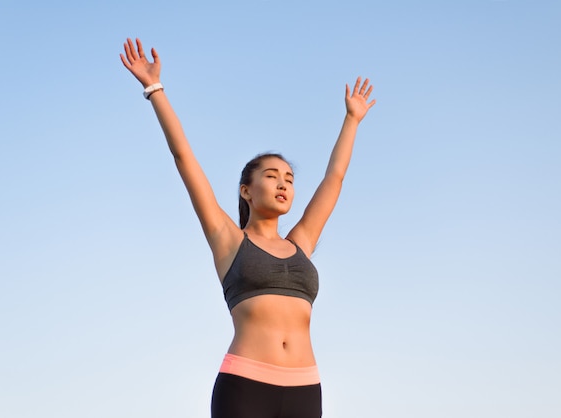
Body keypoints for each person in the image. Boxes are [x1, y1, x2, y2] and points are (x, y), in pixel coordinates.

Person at [120, 38, 375, 418]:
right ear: (246, 191)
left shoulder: (301, 242)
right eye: (271, 176)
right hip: (246, 386)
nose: (283, 184)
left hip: (306, 387)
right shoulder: (228, 241)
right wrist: (154, 88)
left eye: (289, 178)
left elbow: (334, 178)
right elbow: (184, 156)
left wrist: (352, 120)